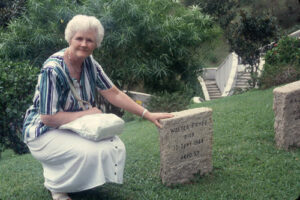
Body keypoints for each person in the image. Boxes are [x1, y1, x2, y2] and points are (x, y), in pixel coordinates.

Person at [22, 14, 173, 200]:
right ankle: (57, 188)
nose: (84, 44)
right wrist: (87, 113)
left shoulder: (89, 63)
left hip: (70, 126)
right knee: (88, 152)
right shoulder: (52, 70)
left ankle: (62, 178)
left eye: (90, 40)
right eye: (79, 38)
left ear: (96, 43)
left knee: (112, 145)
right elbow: (48, 118)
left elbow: (114, 93)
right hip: (43, 131)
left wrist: (147, 113)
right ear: (70, 38)